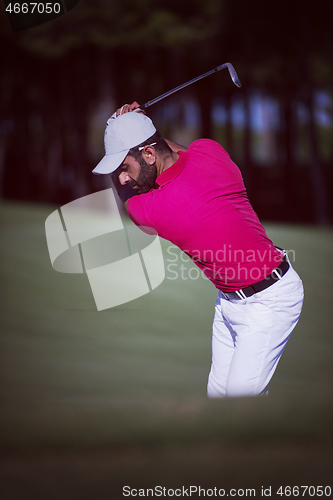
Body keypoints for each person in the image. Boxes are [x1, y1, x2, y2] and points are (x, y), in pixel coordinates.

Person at [93, 101, 304, 398]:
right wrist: (137, 123)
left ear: (149, 154)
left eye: (123, 168)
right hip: (230, 302)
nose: (123, 178)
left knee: (239, 403)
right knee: (219, 401)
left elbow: (129, 195)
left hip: (271, 301)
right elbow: (177, 154)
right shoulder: (211, 152)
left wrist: (126, 125)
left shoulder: (152, 210)